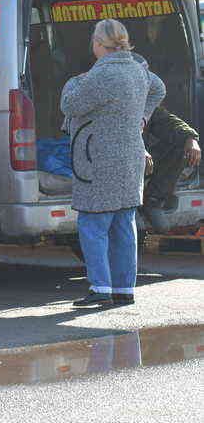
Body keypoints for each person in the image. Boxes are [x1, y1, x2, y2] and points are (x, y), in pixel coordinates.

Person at [60, 18, 165, 308]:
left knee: (93, 224)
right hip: (131, 158)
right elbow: (159, 89)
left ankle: (100, 287)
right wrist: (142, 116)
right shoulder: (138, 71)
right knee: (123, 225)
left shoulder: (99, 76)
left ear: (98, 44)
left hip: (99, 160)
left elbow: (70, 106)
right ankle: (123, 290)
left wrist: (73, 82)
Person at [141, 105, 201, 231]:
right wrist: (139, 150)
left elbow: (168, 121)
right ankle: (130, 208)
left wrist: (191, 138)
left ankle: (153, 200)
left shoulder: (145, 103)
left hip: (142, 162)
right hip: (119, 168)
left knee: (182, 143)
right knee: (134, 229)